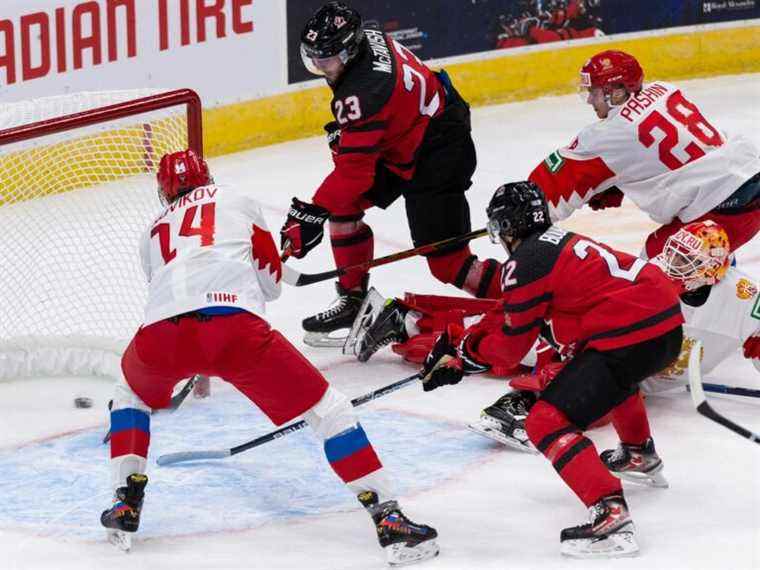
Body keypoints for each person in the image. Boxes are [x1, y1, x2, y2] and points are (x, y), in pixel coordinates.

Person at [99, 149, 439, 566]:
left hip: (161, 337)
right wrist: (279, 256)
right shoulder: (235, 199)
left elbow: (168, 286)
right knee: (328, 412)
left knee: (129, 394)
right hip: (233, 331)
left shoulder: (150, 229)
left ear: (163, 192)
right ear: (208, 177)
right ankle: (389, 518)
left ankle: (125, 500)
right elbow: (270, 284)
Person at [417, 181, 684, 558]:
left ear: (507, 227)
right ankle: (639, 453)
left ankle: (610, 515)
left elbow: (510, 348)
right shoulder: (556, 243)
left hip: (629, 336)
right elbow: (512, 308)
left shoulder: (526, 263)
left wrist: (467, 356)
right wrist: (464, 348)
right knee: (607, 375)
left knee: (545, 422)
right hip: (666, 327)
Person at [280, 2, 501, 348]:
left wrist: (309, 213)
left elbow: (354, 173)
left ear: (350, 50)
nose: (321, 67)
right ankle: (354, 302)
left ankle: (525, 295)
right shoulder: (367, 37)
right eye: (315, 59)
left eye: (327, 59)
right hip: (414, 136)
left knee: (448, 264)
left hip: (440, 151)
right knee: (343, 208)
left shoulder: (361, 92)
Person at [528, 50, 760, 260]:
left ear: (617, 93)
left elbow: (556, 183)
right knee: (694, 256)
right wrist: (618, 183)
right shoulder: (664, 89)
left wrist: (526, 211)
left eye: (594, 92)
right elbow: (661, 150)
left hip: (722, 208)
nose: (589, 99)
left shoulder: (606, 135)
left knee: (656, 275)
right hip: (748, 177)